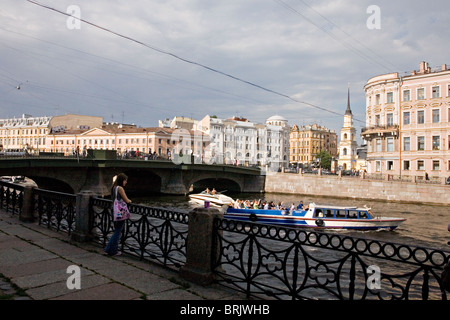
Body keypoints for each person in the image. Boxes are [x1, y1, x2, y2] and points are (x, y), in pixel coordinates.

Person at [104, 173, 132, 256]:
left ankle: (108, 249)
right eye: (125, 180)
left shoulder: (114, 187)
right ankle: (113, 251)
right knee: (117, 232)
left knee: (116, 230)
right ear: (121, 180)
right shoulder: (120, 188)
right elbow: (127, 200)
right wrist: (130, 201)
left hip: (114, 210)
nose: (126, 182)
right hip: (120, 212)